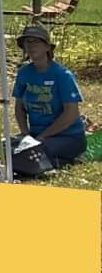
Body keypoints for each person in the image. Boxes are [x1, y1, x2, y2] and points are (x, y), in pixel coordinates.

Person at [12, 22, 86, 169]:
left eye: (36, 41)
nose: (31, 45)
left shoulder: (63, 75)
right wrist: (26, 134)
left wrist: (42, 137)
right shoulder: (24, 73)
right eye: (28, 42)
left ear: (47, 47)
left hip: (67, 136)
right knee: (1, 150)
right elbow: (19, 108)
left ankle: (65, 159)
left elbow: (71, 114)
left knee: (27, 156)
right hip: (35, 136)